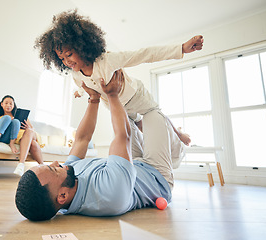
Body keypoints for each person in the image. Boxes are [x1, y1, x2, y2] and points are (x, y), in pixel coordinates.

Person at [15, 70, 183, 221]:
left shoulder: (67, 178)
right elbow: (122, 136)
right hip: (155, 176)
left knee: (129, 114)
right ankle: (178, 152)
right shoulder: (108, 195)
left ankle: (154, 134)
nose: (55, 163)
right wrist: (112, 95)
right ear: (62, 196)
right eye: (52, 169)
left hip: (134, 164)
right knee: (152, 113)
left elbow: (82, 139)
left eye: (49, 165)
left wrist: (93, 100)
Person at [35, 10, 198, 150]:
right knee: (138, 126)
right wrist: (78, 93)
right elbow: (84, 86)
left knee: (157, 117)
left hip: (136, 96)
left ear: (81, 46)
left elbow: (143, 54)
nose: (67, 61)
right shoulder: (75, 74)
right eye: (61, 58)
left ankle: (178, 133)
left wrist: (181, 48)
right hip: (117, 106)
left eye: (69, 54)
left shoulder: (106, 60)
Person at [0, 95, 43, 176]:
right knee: (33, 144)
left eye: (11, 104)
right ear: (1, 104)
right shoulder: (0, 117)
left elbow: (32, 129)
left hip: (30, 133)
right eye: (6, 103)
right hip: (18, 137)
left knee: (29, 131)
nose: (8, 105)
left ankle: (21, 163)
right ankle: (43, 167)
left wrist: (28, 127)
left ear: (14, 105)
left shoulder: (21, 116)